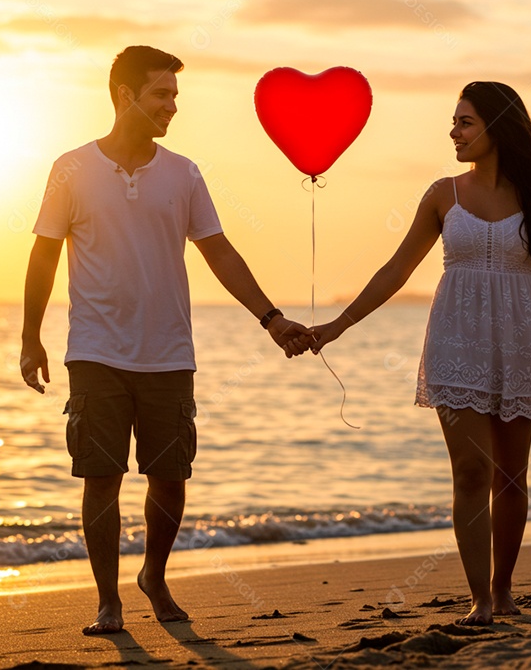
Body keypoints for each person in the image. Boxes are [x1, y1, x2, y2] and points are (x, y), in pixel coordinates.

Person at [20, 46, 312, 635]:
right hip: (96, 350)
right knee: (100, 476)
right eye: (162, 95)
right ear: (125, 96)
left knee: (170, 477)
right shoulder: (70, 168)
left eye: (175, 96)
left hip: (169, 352)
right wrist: (31, 338)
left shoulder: (184, 173)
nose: (172, 107)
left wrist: (271, 317)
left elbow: (219, 251)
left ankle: (153, 574)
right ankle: (109, 601)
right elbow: (43, 253)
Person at [311, 81, 531, 626]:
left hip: (523, 342)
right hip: (456, 343)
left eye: (464, 122)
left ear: (496, 129)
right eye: (453, 122)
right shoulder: (442, 194)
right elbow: (396, 269)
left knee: (511, 476)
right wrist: (338, 325)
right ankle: (479, 597)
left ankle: (504, 591)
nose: (453, 133)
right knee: (470, 471)